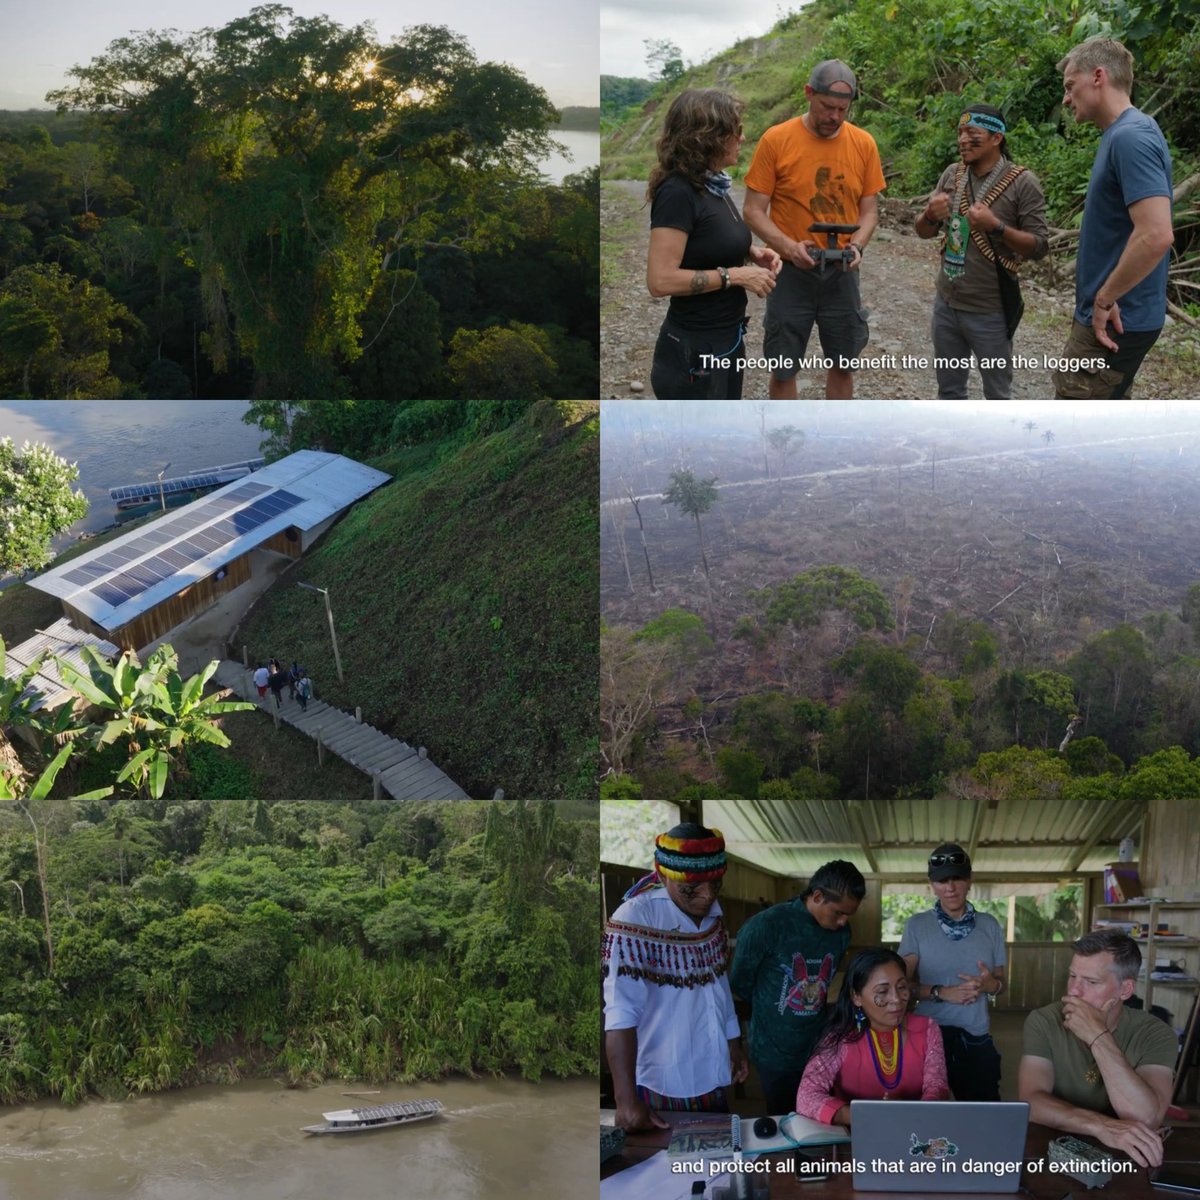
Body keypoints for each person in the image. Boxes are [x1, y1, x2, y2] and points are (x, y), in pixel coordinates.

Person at [743, 60, 886, 399]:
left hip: (842, 273)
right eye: (826, 107)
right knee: (783, 365)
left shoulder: (864, 144)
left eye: (842, 109)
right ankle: (784, 444)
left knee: (843, 363)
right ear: (809, 94)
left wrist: (859, 246)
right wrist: (790, 247)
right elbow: (752, 211)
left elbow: (869, 211)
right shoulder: (776, 140)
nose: (834, 116)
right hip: (791, 273)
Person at [603, 823, 748, 1131]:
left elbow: (719, 983)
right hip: (663, 1083)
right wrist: (626, 1101)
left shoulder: (714, 916)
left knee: (715, 1169)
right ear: (665, 875)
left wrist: (733, 1043)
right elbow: (620, 1013)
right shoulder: (634, 919)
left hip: (714, 1073)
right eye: (691, 888)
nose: (707, 896)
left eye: (715, 884)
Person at [1053, 37, 1173, 398]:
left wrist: (1105, 298)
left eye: (1070, 86)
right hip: (1124, 314)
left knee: (1070, 424)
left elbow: (1155, 234)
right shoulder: (1125, 133)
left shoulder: (1129, 138)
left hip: (1115, 318)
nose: (1066, 98)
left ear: (1098, 76)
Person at [646, 88, 782, 399]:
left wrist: (751, 253)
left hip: (724, 341)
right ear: (709, 136)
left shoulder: (712, 184)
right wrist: (736, 276)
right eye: (737, 130)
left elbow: (707, 237)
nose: (742, 139)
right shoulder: (677, 192)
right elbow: (659, 280)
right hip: (693, 351)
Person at [916, 106, 1050, 399]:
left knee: (998, 396)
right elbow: (922, 232)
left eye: (972, 134)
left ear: (996, 138)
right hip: (947, 303)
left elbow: (1039, 246)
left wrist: (997, 227)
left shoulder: (1022, 183)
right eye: (960, 133)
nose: (962, 140)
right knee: (949, 392)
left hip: (991, 309)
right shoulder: (953, 174)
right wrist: (929, 215)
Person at [1018, 929, 1177, 1167]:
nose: (1073, 991)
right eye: (1072, 976)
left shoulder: (1155, 1033)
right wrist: (1101, 1126)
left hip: (1127, 1154)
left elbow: (1146, 1118)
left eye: (1091, 982)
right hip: (1054, 1146)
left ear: (1125, 990)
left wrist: (1098, 1036)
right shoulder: (1044, 1020)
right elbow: (1031, 1101)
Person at [730, 859, 865, 1115]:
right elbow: (741, 983)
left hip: (818, 1045)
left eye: (849, 915)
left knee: (818, 1119)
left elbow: (825, 984)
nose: (843, 922)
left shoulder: (841, 934)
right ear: (817, 896)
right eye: (839, 912)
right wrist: (773, 1010)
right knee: (785, 1121)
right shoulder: (767, 926)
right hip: (774, 1049)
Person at [899, 843, 1007, 1101]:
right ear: (931, 884)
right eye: (941, 880)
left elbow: (1002, 985)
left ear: (969, 880)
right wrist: (940, 992)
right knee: (927, 1115)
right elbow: (900, 987)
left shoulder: (990, 926)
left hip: (976, 1035)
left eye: (957, 878)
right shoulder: (917, 926)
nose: (950, 887)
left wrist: (989, 985)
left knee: (983, 1113)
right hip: (927, 1034)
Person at [795, 948, 949, 1125]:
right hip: (854, 1138)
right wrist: (865, 1115)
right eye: (883, 992)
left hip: (915, 1130)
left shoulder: (927, 1029)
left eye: (901, 987)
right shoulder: (839, 1037)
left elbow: (937, 1088)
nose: (896, 999)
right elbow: (807, 1097)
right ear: (856, 997)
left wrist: (909, 1112)